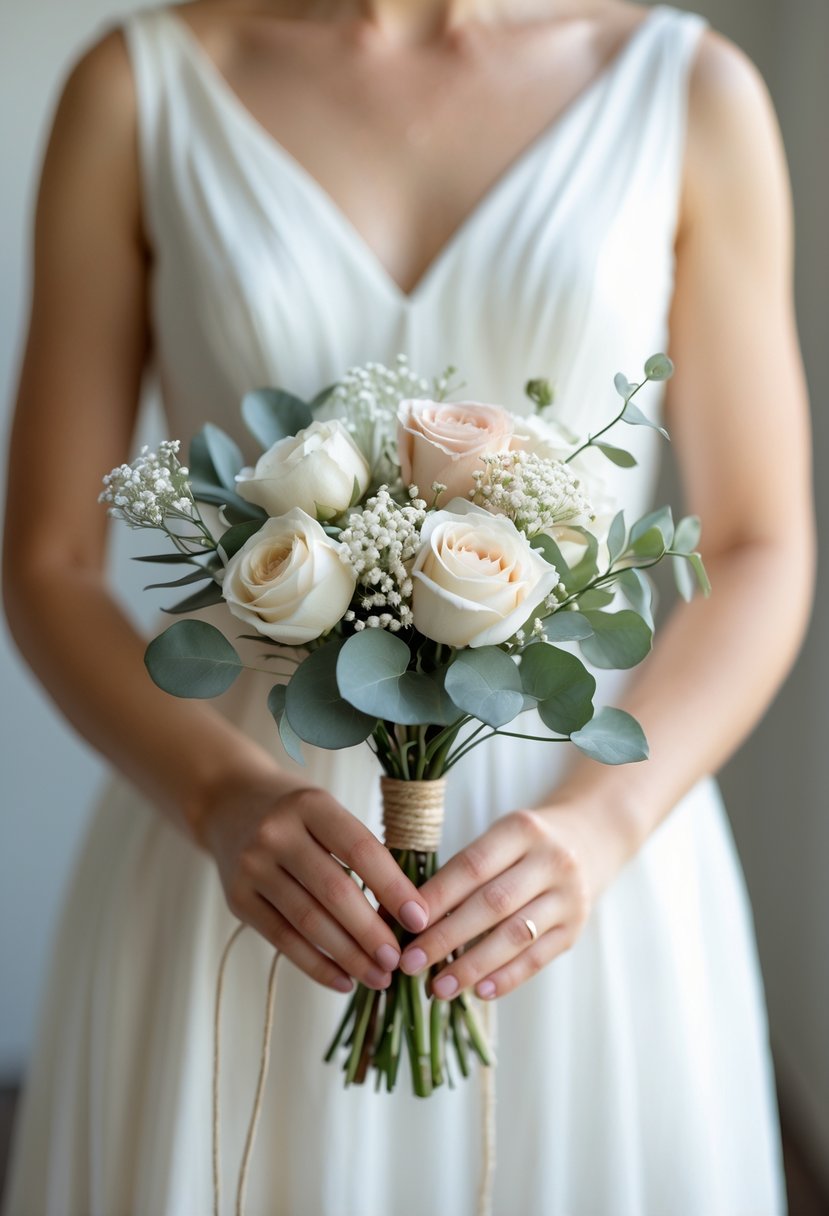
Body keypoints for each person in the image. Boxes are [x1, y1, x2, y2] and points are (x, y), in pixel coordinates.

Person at [1, 0, 814, 1213]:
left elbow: (757, 544)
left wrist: (605, 824)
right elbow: (48, 558)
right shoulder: (140, 89)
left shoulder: (688, 90)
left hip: (574, 857)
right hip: (245, 859)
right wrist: (218, 797)